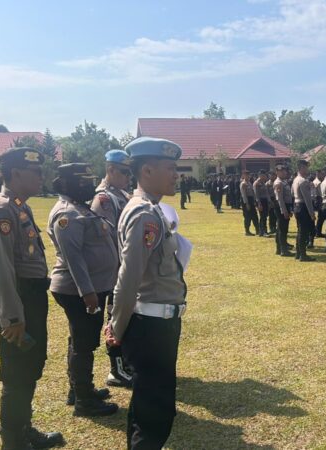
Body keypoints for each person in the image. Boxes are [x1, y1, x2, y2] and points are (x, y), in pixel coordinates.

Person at [106, 137, 188, 449]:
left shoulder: (152, 209)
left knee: (151, 407)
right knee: (154, 411)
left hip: (158, 322)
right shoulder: (144, 214)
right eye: (170, 168)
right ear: (148, 171)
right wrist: (117, 327)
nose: (176, 174)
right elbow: (128, 277)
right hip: (151, 326)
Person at [0, 148, 64, 450]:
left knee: (30, 366)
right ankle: (13, 442)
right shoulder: (1, 210)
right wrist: (12, 317)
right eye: (36, 172)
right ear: (16, 174)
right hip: (19, 301)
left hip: (31, 297)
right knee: (17, 373)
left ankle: (23, 429)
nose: (41, 177)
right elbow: (0, 269)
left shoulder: (18, 207)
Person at [47, 163, 119, 417]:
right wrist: (87, 292)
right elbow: (73, 257)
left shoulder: (81, 208)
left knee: (81, 340)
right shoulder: (66, 214)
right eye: (82, 182)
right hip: (78, 290)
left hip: (91, 287)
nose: (89, 186)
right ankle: (84, 400)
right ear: (66, 185)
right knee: (84, 343)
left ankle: (78, 390)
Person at [91, 149, 135, 388]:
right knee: (115, 316)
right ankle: (116, 370)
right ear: (110, 170)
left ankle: (127, 363)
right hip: (114, 269)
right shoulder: (104, 199)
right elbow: (108, 236)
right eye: (125, 172)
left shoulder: (121, 195)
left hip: (124, 266)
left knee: (127, 316)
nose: (129, 177)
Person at [292, 160, 316, 261]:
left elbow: (292, 193)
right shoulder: (302, 181)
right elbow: (307, 199)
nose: (307, 169)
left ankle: (298, 253)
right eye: (306, 167)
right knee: (303, 232)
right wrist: (311, 213)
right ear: (301, 168)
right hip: (303, 207)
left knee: (300, 231)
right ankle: (303, 254)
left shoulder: (296, 179)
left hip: (298, 206)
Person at [273, 164, 294, 257]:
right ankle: (283, 250)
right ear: (277, 172)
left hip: (286, 206)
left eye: (285, 170)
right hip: (282, 207)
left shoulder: (284, 181)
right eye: (282, 171)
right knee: (282, 229)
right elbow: (280, 198)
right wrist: (284, 211)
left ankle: (279, 248)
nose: (284, 172)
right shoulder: (278, 183)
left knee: (281, 229)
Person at [240, 171, 260, 236]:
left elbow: (253, 193)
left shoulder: (249, 183)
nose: (248, 176)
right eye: (246, 175)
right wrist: (246, 203)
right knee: (247, 217)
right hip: (247, 201)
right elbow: (244, 195)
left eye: (249, 175)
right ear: (243, 175)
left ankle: (258, 230)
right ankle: (247, 231)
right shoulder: (243, 184)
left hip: (251, 200)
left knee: (254, 216)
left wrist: (254, 201)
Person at [253, 170, 271, 237]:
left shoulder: (263, 182)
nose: (264, 176)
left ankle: (263, 231)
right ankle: (262, 231)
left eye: (265, 175)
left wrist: (269, 201)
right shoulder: (256, 183)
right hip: (260, 201)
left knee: (265, 217)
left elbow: (266, 193)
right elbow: (256, 195)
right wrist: (259, 204)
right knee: (262, 217)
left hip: (265, 201)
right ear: (260, 175)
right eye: (263, 175)